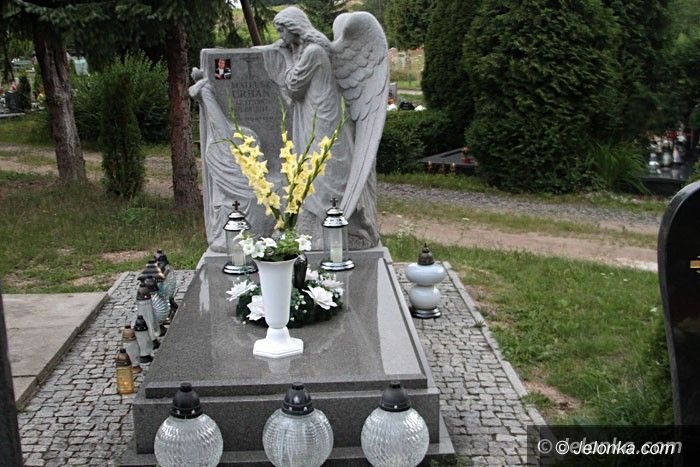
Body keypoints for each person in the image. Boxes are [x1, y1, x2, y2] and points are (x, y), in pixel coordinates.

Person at [261, 7, 354, 247]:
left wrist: (285, 57)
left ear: (294, 27)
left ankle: (324, 227)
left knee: (319, 168)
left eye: (282, 30)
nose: (280, 36)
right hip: (311, 113)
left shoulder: (313, 51)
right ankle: (313, 225)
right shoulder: (308, 49)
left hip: (319, 118)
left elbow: (293, 85)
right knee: (310, 166)